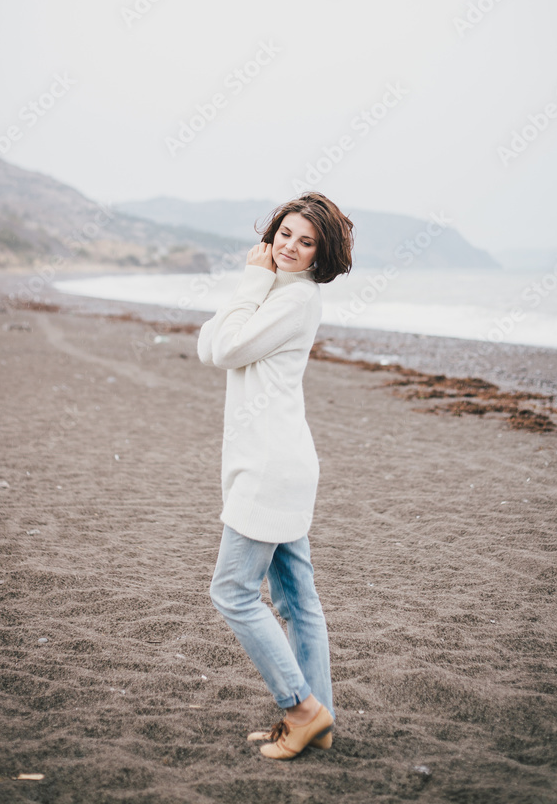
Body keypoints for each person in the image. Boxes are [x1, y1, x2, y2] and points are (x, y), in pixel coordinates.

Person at [196, 191, 354, 759]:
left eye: (305, 242)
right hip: (276, 462)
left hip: (270, 466)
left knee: (232, 592)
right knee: (295, 602)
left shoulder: (294, 300)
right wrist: (254, 283)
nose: (289, 246)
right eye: (284, 233)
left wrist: (249, 280)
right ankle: (319, 721)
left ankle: (301, 708)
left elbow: (226, 348)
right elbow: (207, 344)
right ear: (271, 232)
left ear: (320, 255)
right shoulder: (272, 291)